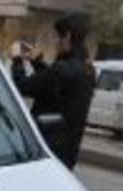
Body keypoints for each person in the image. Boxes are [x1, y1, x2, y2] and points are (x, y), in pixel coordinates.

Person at [11, 13, 96, 170]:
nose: (56, 42)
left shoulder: (61, 70)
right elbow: (54, 87)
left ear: (68, 36)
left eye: (58, 37)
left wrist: (17, 59)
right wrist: (37, 61)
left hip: (46, 149)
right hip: (68, 153)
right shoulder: (88, 70)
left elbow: (22, 86)